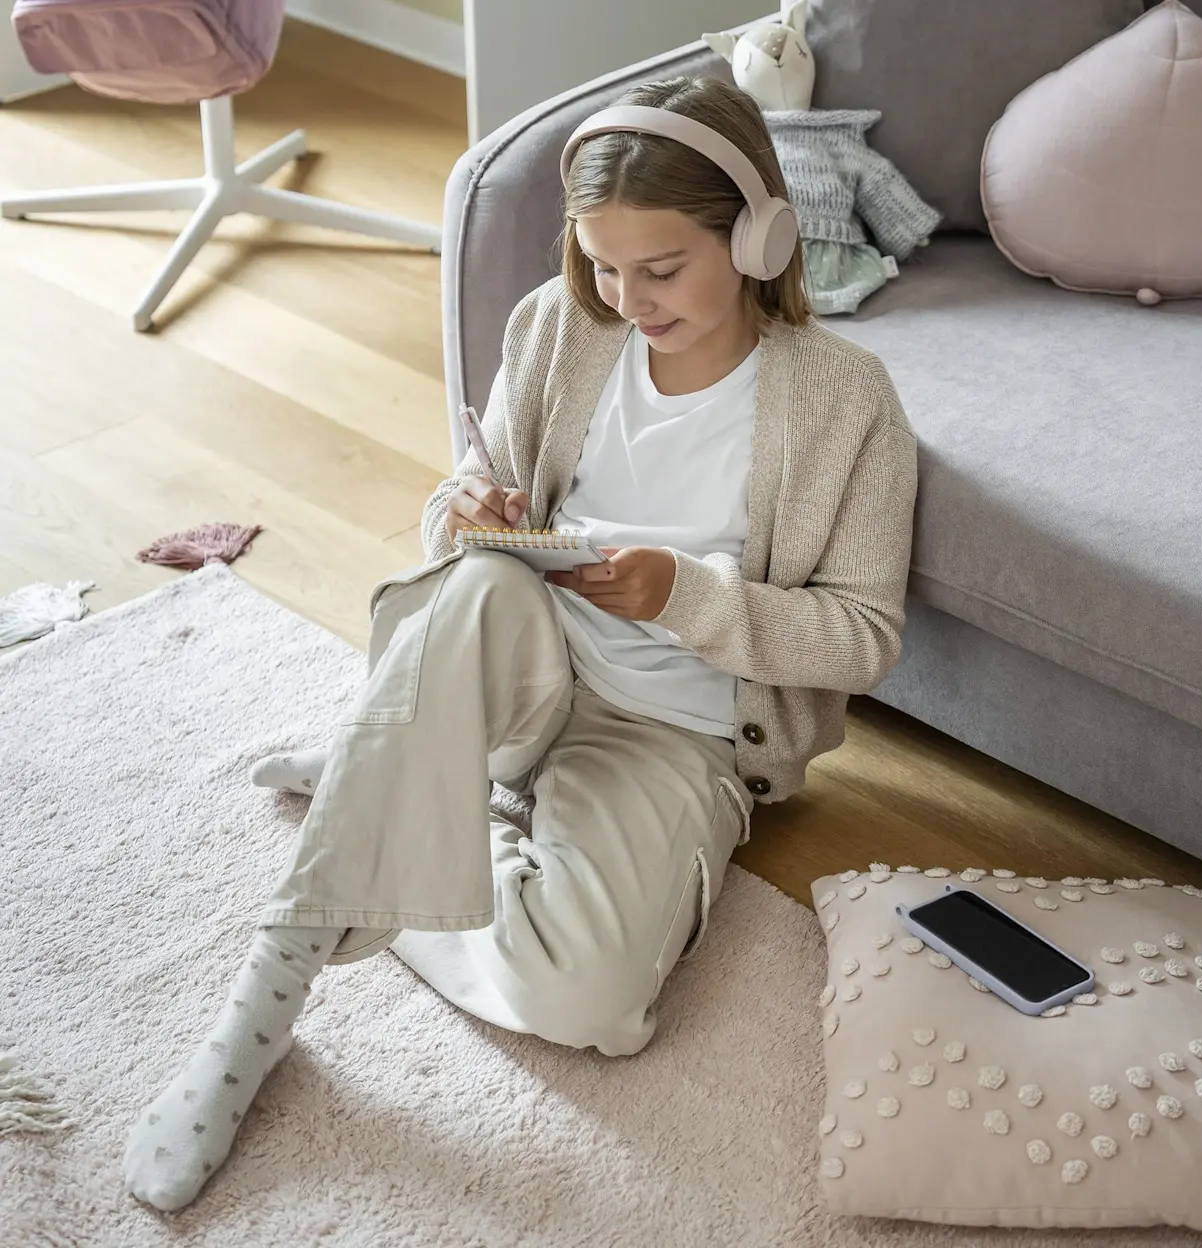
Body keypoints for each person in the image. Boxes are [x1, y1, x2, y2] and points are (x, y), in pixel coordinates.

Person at [123, 74, 918, 1212]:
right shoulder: (558, 328)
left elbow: (864, 636)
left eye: (661, 269)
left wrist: (685, 598)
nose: (627, 298)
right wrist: (471, 512)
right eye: (603, 264)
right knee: (487, 581)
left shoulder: (847, 402)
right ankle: (260, 1007)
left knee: (595, 1007)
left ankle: (384, 787)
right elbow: (455, 506)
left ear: (757, 239)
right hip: (513, 662)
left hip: (672, 734)